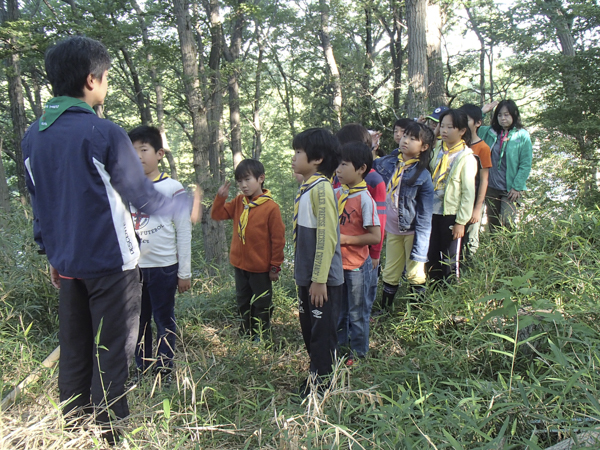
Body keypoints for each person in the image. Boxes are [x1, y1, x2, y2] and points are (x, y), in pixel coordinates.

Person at [21, 36, 198, 444]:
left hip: (67, 266)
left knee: (76, 348)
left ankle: (75, 431)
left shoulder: (35, 136)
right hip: (112, 266)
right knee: (113, 354)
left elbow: (40, 204)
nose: (107, 85)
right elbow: (144, 197)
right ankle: (109, 436)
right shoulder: (102, 132)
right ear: (91, 79)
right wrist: (185, 204)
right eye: (106, 78)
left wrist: (51, 251)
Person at [128, 126, 192, 383]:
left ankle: (164, 370)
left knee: (163, 318)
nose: (138, 156)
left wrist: (184, 272)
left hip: (165, 267)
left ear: (159, 153)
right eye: (132, 152)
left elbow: (184, 230)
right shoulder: (126, 187)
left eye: (144, 150)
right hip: (133, 268)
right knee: (138, 321)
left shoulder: (173, 188)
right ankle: (141, 368)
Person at [291, 128, 343, 398]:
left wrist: (320, 279)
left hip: (321, 280)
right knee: (310, 329)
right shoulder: (307, 187)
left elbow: (327, 236)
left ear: (318, 158)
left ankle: (323, 384)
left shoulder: (322, 190)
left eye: (299, 152)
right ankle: (316, 374)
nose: (294, 157)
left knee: (322, 333)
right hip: (307, 276)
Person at [211, 159, 285, 340]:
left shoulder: (271, 208)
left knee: (262, 302)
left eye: (247, 180)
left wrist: (275, 266)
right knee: (243, 301)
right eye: (239, 181)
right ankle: (246, 333)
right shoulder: (239, 203)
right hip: (240, 264)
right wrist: (220, 198)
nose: (243, 185)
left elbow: (278, 240)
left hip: (260, 267)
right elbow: (217, 215)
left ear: (261, 179)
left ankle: (262, 335)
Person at [375, 122, 434, 311]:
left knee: (415, 273)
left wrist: (421, 247)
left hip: (412, 232)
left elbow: (425, 215)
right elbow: (368, 165)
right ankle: (385, 309)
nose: (405, 141)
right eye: (405, 136)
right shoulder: (389, 163)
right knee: (391, 270)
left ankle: (416, 313)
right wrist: (372, 146)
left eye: (413, 139)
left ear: (424, 147)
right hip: (392, 229)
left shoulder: (423, 175)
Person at [334, 124, 385, 343]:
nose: (338, 169)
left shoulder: (365, 198)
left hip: (356, 265)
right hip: (337, 264)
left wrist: (347, 240)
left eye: (343, 164)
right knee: (339, 311)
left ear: (361, 168)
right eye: (337, 163)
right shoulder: (335, 193)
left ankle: (358, 351)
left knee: (358, 312)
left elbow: (375, 234)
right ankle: (340, 347)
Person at [427, 109, 477, 282]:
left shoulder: (466, 157)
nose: (444, 130)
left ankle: (449, 295)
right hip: (432, 211)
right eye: (442, 126)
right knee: (431, 255)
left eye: (450, 127)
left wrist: (461, 222)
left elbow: (468, 192)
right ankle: (433, 292)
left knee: (449, 258)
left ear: (462, 131)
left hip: (451, 214)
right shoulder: (437, 150)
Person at [478, 99, 533, 231]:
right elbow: (468, 127)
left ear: (514, 115)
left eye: (506, 114)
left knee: (508, 221)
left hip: (510, 188)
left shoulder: (522, 135)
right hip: (491, 186)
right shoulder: (488, 132)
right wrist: (482, 112)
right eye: (500, 115)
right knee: (493, 223)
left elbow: (525, 164)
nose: (503, 118)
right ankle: (495, 250)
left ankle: (510, 250)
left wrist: (517, 187)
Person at [458, 104, 492, 256]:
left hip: (473, 201)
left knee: (470, 241)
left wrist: (478, 209)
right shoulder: (456, 145)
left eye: (467, 120)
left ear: (478, 123)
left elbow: (484, 180)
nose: (463, 123)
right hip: (456, 200)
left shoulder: (483, 148)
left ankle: (469, 275)